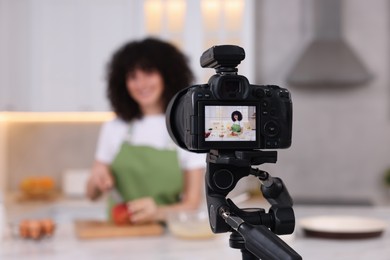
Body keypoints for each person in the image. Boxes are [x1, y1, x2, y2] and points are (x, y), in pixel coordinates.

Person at [86, 38, 205, 224]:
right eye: (133, 76)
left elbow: (192, 204)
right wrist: (97, 176)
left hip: (165, 238)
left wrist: (157, 212)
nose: (141, 84)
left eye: (148, 73)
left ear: (167, 75)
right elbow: (91, 195)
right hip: (117, 238)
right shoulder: (114, 127)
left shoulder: (187, 129)